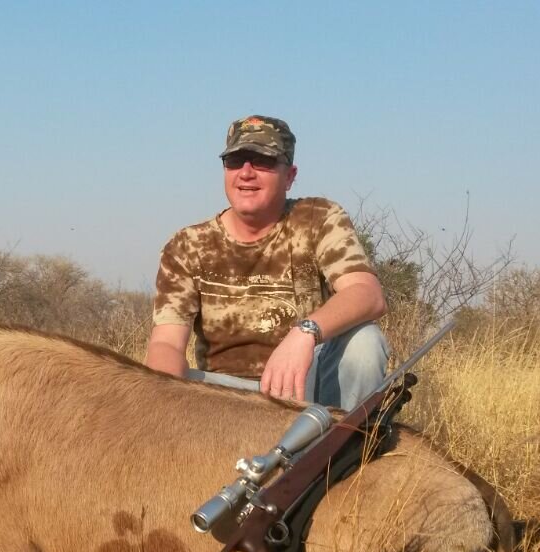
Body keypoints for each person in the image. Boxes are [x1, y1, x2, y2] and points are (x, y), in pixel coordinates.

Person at [145, 115, 390, 410]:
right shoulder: (186, 245)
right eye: (235, 161)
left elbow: (367, 293)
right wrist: (161, 400)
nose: (246, 173)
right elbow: (167, 344)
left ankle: (345, 447)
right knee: (152, 383)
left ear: (289, 176)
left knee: (364, 342)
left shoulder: (319, 218)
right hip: (221, 396)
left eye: (263, 161)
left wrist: (305, 332)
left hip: (303, 389)